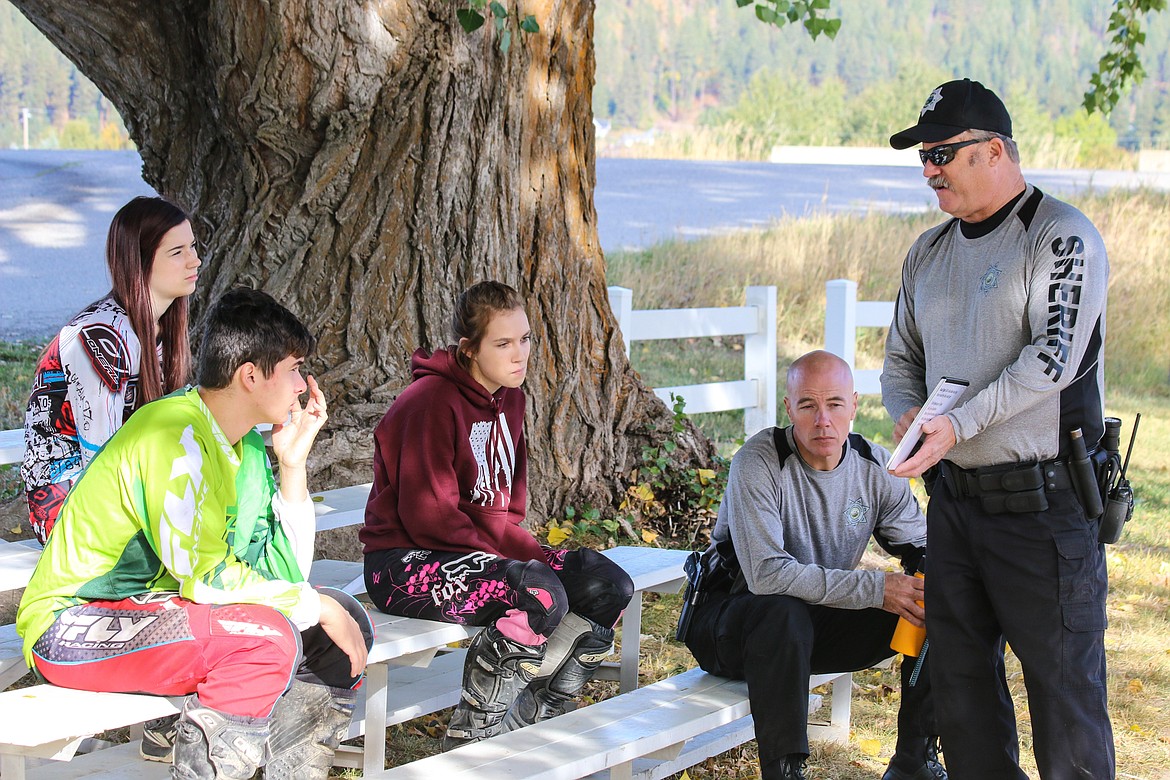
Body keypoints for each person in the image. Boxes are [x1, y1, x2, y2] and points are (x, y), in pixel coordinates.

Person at [16, 287, 373, 780]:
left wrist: (292, 465)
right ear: (251, 375)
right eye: (293, 369)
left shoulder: (245, 448)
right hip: (71, 624)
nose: (301, 386)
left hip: (162, 618)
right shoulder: (172, 435)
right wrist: (315, 605)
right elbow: (206, 580)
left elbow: (283, 576)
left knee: (333, 623)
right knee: (268, 636)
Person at [883, 78, 1112, 779]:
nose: (930, 170)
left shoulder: (1060, 235)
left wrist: (955, 423)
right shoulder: (927, 252)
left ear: (993, 150)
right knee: (960, 692)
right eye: (923, 156)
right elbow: (900, 359)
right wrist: (911, 419)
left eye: (943, 153)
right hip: (953, 509)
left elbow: (1051, 359)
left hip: (1045, 510)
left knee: (1065, 700)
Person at [362, 280, 634, 748]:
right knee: (539, 592)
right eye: (503, 343)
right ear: (469, 349)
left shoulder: (511, 399)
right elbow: (431, 518)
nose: (519, 354)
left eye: (525, 339)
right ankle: (474, 741)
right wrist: (516, 564)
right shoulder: (427, 403)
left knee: (609, 586)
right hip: (404, 564)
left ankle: (538, 710)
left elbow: (506, 508)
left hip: (472, 551)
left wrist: (527, 553)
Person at [683, 351, 944, 780]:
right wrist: (877, 589)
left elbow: (920, 543)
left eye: (835, 404)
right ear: (789, 409)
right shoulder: (758, 461)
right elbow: (767, 576)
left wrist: (932, 578)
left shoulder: (874, 466)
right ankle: (784, 771)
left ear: (855, 406)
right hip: (731, 622)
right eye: (808, 405)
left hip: (811, 624)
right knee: (782, 611)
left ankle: (914, 760)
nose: (823, 419)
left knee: (937, 602)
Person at [21, 196, 198, 547]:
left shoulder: (161, 329)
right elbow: (100, 456)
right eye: (177, 252)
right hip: (69, 504)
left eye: (192, 246)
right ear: (139, 263)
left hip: (127, 492)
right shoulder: (100, 336)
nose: (195, 260)